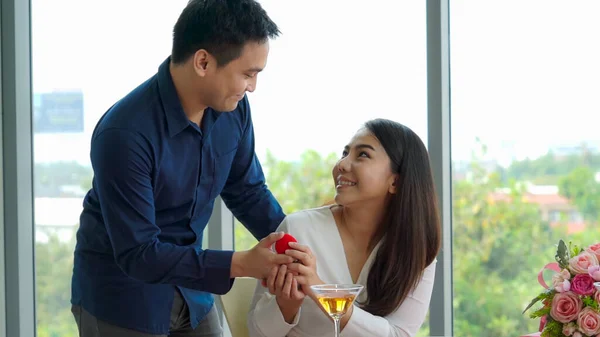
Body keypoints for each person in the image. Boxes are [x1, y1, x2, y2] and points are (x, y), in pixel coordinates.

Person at [70, 1, 294, 336]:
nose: (252, 88)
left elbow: (247, 191)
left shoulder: (233, 110)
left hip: (194, 293)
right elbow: (139, 253)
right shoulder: (125, 134)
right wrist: (243, 263)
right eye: (248, 74)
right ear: (203, 61)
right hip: (122, 301)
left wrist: (296, 247)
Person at [247, 118, 442, 337]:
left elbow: (399, 334)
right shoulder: (298, 230)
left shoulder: (416, 251)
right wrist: (286, 306)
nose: (342, 164)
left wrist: (320, 289)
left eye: (363, 155)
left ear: (395, 182)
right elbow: (257, 333)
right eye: (345, 153)